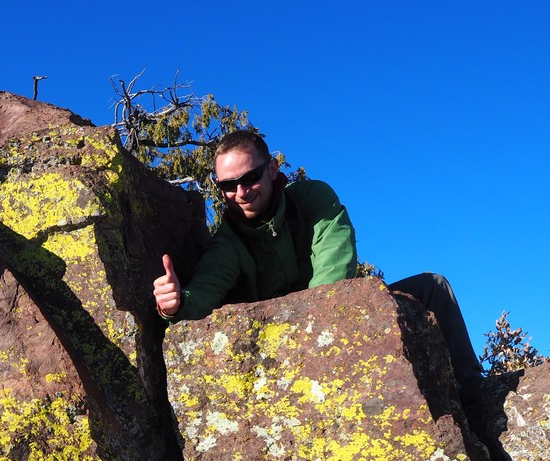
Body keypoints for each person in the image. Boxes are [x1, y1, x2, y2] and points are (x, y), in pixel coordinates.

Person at [153, 129, 483, 407]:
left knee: (433, 287)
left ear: (272, 168)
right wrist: (177, 302)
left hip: (328, 319)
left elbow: (335, 271)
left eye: (250, 177)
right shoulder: (227, 243)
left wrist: (317, 329)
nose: (239, 192)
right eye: (227, 185)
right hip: (275, 349)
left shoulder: (312, 199)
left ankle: (476, 397)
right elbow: (207, 289)